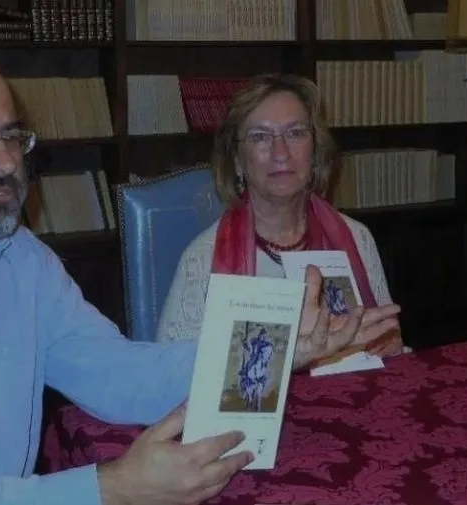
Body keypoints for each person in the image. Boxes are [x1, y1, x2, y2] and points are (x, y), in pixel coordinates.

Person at [0, 43, 400, 505]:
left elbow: (120, 374)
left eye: (8, 137)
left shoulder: (20, 260)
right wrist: (113, 488)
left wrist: (278, 347)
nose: (2, 162)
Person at [155, 73, 404, 355]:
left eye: (295, 133)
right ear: (237, 161)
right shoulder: (202, 258)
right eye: (260, 137)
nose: (281, 152)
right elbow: (173, 379)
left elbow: (388, 343)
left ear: (315, 151)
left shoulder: (357, 238)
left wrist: (388, 348)